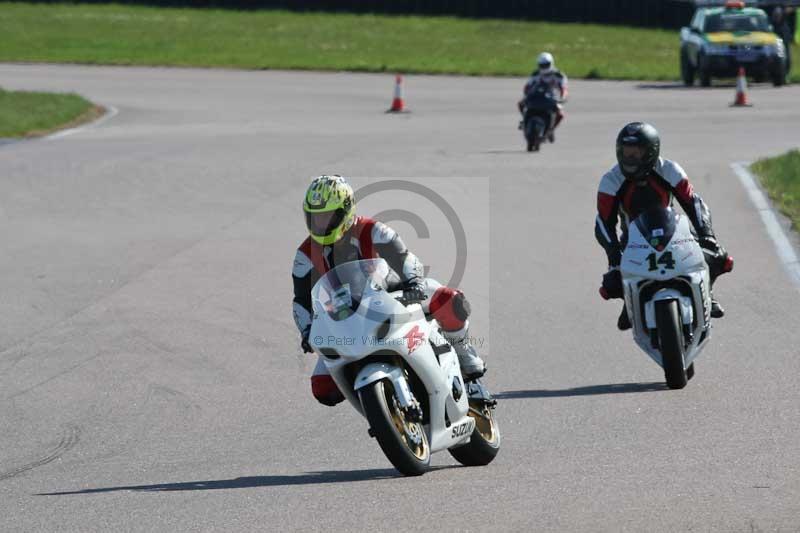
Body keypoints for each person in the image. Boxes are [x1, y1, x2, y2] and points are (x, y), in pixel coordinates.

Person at [292, 175, 486, 406]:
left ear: (346, 210)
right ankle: (380, 400)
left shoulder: (373, 230)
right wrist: (307, 331)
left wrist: (413, 283)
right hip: (347, 318)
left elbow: (405, 258)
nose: (320, 224)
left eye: (327, 217)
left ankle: (466, 361)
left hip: (397, 296)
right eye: (315, 217)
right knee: (322, 388)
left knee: (449, 301)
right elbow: (301, 301)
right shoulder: (304, 255)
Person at [595, 122, 732, 330]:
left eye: (636, 153)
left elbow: (694, 204)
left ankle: (706, 293)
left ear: (651, 152)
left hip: (674, 230)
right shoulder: (610, 181)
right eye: (626, 152)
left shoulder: (669, 170)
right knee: (612, 284)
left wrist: (707, 236)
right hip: (633, 239)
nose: (630, 158)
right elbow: (603, 223)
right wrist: (614, 258)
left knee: (718, 257)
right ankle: (630, 303)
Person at [518, 52, 568, 142]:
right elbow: (527, 86)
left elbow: (563, 88)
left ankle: (551, 130)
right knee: (521, 104)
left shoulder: (558, 75)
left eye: (546, 65)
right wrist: (526, 94)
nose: (544, 67)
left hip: (551, 98)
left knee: (560, 114)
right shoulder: (536, 74)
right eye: (542, 65)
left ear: (551, 63)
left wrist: (562, 97)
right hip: (536, 96)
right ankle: (524, 121)